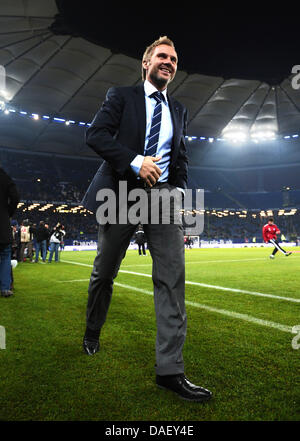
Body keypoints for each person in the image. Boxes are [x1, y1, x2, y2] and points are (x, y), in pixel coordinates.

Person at [81, 36, 212, 402]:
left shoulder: (179, 110)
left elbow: (181, 157)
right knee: (104, 272)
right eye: (162, 57)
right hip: (120, 191)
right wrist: (137, 161)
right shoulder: (121, 96)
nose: (168, 62)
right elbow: (95, 135)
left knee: (171, 279)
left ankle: (170, 371)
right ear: (146, 62)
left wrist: (179, 192)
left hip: (164, 197)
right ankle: (92, 331)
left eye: (173, 58)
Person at [0, 167, 20, 297]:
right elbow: (15, 196)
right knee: (5, 256)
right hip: (2, 224)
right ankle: (5, 288)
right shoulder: (4, 176)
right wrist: (8, 212)